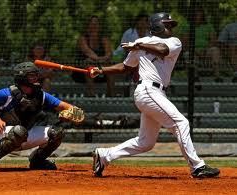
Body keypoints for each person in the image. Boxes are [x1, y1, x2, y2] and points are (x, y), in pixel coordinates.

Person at [89, 12, 220, 178]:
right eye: (167, 24)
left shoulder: (173, 42)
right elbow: (125, 67)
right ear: (157, 25)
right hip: (147, 91)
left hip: (157, 93)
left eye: (171, 24)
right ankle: (197, 167)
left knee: (146, 143)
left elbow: (163, 50)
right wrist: (100, 70)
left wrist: (139, 46)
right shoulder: (141, 42)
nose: (170, 27)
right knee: (182, 123)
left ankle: (104, 155)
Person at [0, 62, 84, 171]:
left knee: (57, 132)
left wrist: (75, 113)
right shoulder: (8, 93)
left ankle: (37, 161)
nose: (35, 78)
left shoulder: (40, 95)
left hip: (26, 134)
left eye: (36, 75)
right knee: (19, 131)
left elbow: (64, 106)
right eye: (31, 75)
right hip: (2, 133)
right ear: (22, 77)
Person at [72, 15, 115, 97]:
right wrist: (101, 60)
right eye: (92, 24)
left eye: (96, 24)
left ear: (99, 26)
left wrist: (99, 62)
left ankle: (111, 96)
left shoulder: (104, 39)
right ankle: (91, 95)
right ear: (88, 26)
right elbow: (89, 53)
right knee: (89, 65)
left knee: (111, 68)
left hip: (100, 70)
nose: (94, 26)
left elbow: (109, 54)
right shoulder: (83, 39)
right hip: (81, 73)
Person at [176, 7, 221, 81]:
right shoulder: (186, 26)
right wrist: (195, 51)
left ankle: (217, 76)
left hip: (206, 51)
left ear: (202, 16)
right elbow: (184, 42)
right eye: (195, 15)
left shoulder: (208, 26)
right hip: (192, 51)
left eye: (199, 15)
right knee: (188, 55)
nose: (197, 17)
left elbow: (213, 40)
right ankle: (194, 77)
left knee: (215, 50)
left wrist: (205, 50)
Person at [217, 9, 237, 82]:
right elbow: (221, 41)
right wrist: (225, 50)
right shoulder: (229, 27)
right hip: (232, 50)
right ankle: (236, 74)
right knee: (233, 48)